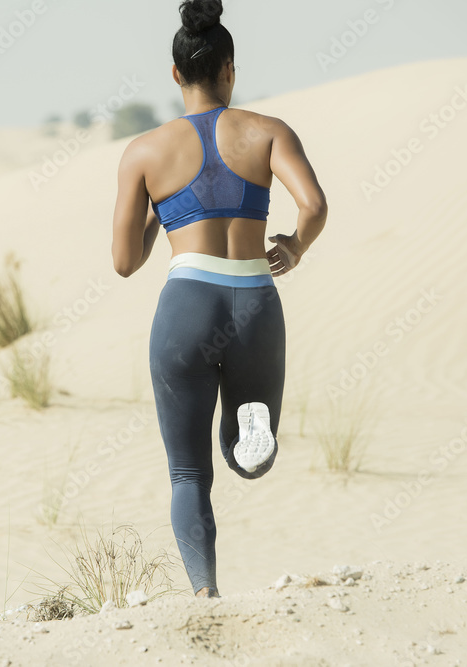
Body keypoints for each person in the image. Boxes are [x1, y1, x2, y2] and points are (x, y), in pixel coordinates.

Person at [111, 0, 328, 598]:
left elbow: (125, 263)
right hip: (255, 300)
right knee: (244, 453)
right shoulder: (267, 131)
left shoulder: (144, 152)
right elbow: (314, 206)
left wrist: (162, 214)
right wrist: (295, 245)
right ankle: (246, 442)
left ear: (175, 74)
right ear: (230, 69)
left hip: (186, 302)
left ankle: (205, 593)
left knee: (187, 473)